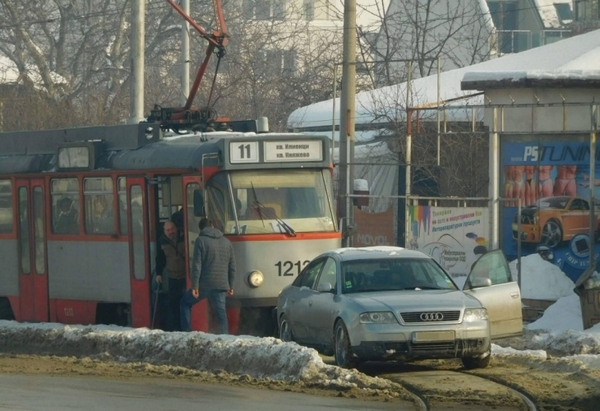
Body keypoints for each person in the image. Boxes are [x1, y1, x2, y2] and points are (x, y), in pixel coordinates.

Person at [180, 218, 236, 333]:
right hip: (221, 285)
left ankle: (187, 331)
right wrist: (231, 285)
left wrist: (195, 286)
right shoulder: (226, 241)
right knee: (221, 313)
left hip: (205, 285)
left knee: (184, 303)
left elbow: (197, 265)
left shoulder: (200, 241)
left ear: (200, 228)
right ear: (213, 227)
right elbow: (232, 266)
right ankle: (225, 336)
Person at [155, 221, 187, 331]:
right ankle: (175, 327)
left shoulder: (186, 237)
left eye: (172, 229)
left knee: (185, 302)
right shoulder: (162, 241)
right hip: (172, 277)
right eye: (168, 230)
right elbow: (160, 258)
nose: (171, 232)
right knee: (173, 303)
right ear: (164, 231)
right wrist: (159, 273)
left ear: (176, 228)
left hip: (186, 276)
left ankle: (185, 327)